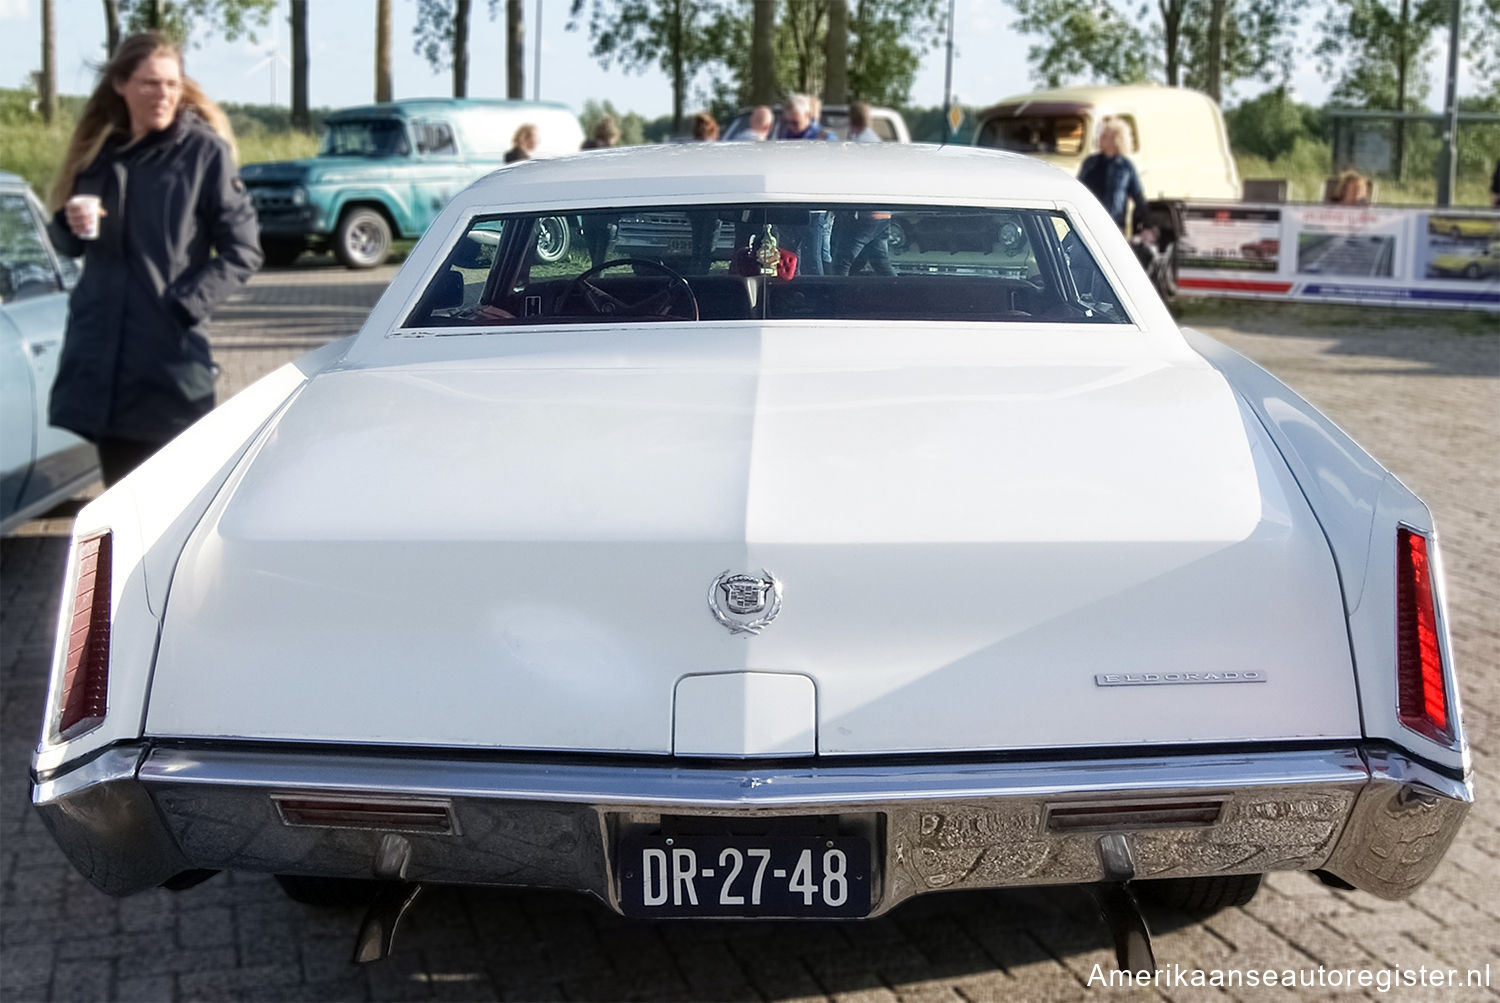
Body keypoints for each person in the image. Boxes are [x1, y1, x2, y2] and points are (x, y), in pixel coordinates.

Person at [47, 32, 261, 488]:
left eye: (170, 83)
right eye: (149, 83)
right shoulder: (99, 153)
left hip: (169, 365)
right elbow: (67, 247)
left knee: (173, 508)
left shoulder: (204, 154)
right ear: (121, 84)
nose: (162, 94)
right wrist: (69, 221)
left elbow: (244, 249)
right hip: (101, 361)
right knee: (120, 506)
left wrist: (182, 307)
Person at [777, 94, 835, 274]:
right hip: (786, 207)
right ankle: (790, 294)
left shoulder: (824, 138)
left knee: (812, 259)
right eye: (789, 121)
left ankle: (817, 295)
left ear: (807, 116)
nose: (791, 126)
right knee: (788, 258)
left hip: (813, 208)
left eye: (795, 121)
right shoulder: (782, 137)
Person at [1076, 118, 1147, 234]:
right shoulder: (1090, 163)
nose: (1099, 138)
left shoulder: (1126, 166)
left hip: (1115, 226)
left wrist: (1147, 224)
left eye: (1104, 136)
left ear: (1115, 139)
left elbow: (1138, 197)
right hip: (1089, 223)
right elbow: (1078, 190)